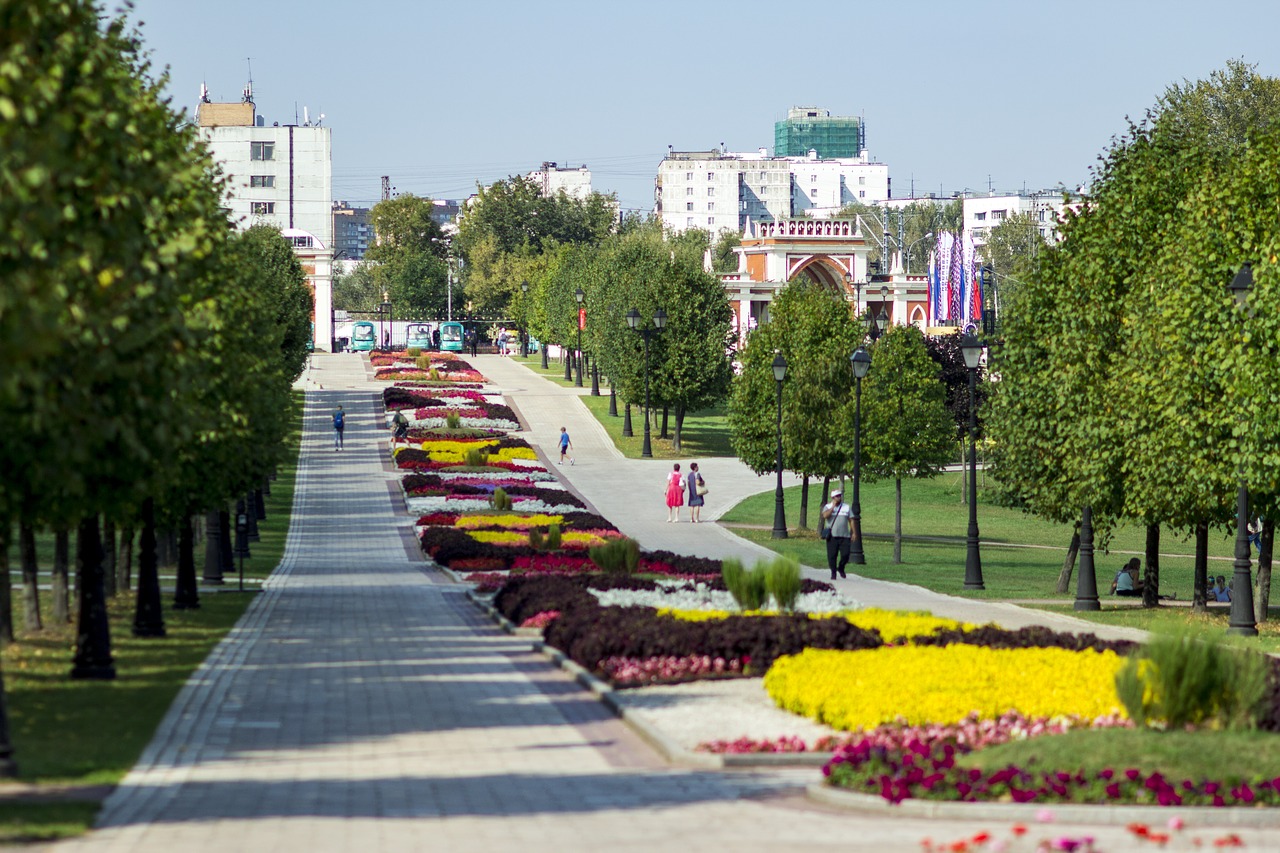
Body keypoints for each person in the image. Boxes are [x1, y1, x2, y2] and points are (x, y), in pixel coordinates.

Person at [820, 489, 855, 580]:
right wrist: (833, 507)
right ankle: (833, 572)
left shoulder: (846, 507)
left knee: (846, 554)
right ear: (832, 498)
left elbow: (851, 520)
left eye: (840, 496)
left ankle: (841, 567)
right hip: (832, 536)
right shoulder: (827, 506)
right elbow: (825, 516)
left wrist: (853, 532)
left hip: (845, 536)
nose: (839, 498)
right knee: (832, 556)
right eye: (837, 496)